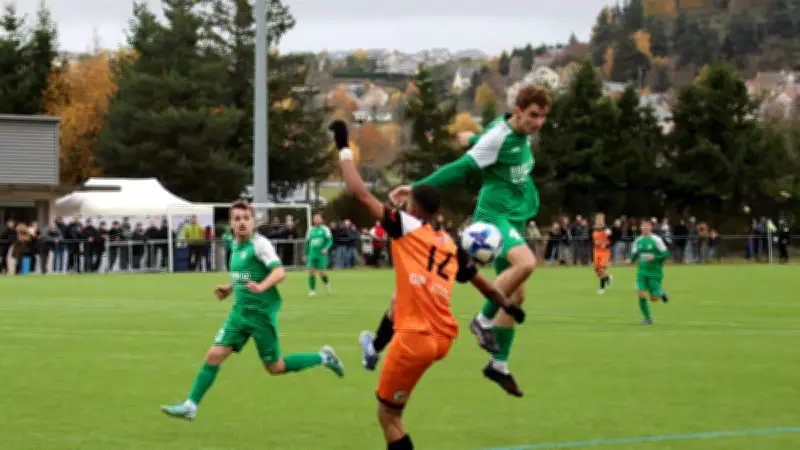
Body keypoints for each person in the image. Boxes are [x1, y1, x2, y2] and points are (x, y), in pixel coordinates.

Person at [329, 120, 524, 450]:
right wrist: (509, 306)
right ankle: (374, 347)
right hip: (442, 338)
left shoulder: (405, 226)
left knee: (388, 417)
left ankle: (374, 349)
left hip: (415, 339)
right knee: (398, 302)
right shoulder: (449, 242)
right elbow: (485, 286)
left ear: (414, 208)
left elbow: (360, 192)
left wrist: (343, 145)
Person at [389, 84, 550, 397]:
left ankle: (498, 365)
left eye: (543, 116)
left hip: (514, 215)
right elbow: (462, 167)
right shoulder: (500, 135)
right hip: (495, 215)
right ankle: (482, 320)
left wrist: (470, 139)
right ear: (518, 111)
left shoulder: (512, 133)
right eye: (533, 115)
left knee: (516, 297)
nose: (538, 122)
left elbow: (484, 143)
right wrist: (417, 188)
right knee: (526, 263)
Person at [160, 200, 344, 421]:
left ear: (253, 221)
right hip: (239, 314)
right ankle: (191, 405)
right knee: (213, 355)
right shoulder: (234, 245)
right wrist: (230, 288)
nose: (242, 223)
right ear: (231, 223)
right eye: (237, 219)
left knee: (274, 367)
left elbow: (279, 272)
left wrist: (262, 287)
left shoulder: (260, 244)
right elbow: (244, 275)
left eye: (246, 218)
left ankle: (323, 357)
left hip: (260, 316)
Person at [628, 219, 670, 325]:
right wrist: (630, 260)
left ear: (651, 227)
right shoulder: (638, 240)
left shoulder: (656, 240)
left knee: (654, 299)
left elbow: (666, 254)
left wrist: (654, 257)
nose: (645, 228)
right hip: (642, 272)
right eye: (643, 226)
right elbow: (635, 253)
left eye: (647, 226)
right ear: (640, 228)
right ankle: (647, 318)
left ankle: (660, 292)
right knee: (640, 294)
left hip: (655, 272)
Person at [304, 213, 333, 296]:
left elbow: (330, 240)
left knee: (321, 272)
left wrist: (326, 248)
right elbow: (307, 242)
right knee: (311, 272)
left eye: (318, 218)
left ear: (322, 219)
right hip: (312, 254)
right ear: (313, 220)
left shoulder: (325, 229)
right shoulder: (310, 230)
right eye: (315, 218)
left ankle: (326, 282)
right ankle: (312, 290)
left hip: (321, 254)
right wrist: (305, 254)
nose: (317, 219)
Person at [592, 213, 614, 294]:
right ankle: (608, 278)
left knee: (601, 270)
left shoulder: (607, 230)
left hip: (605, 252)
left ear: (603, 221)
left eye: (601, 219)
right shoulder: (593, 230)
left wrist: (607, 244)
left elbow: (613, 240)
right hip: (596, 252)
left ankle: (602, 288)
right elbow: (592, 240)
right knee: (597, 272)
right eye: (598, 220)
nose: (599, 221)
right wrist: (595, 243)